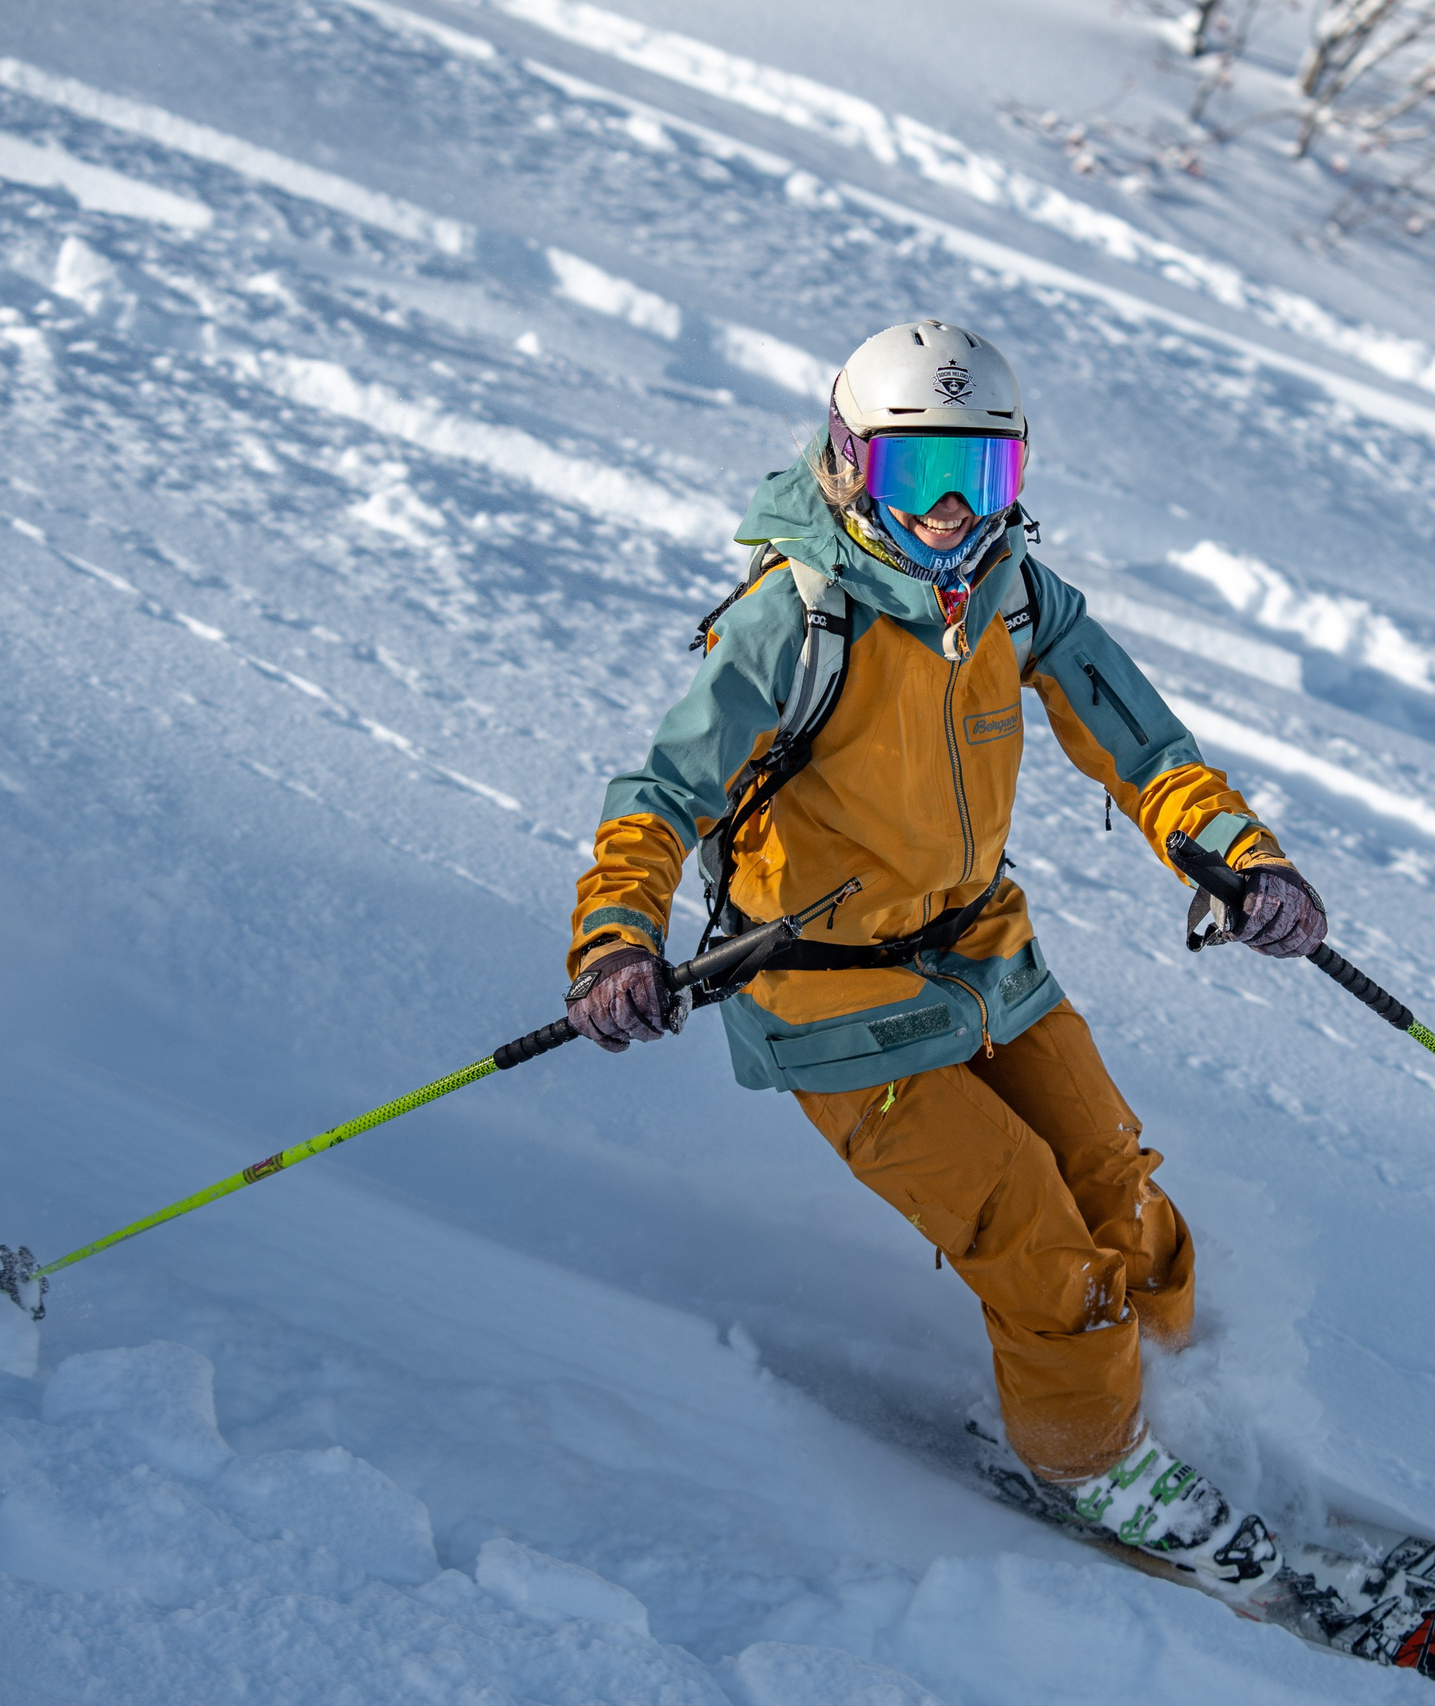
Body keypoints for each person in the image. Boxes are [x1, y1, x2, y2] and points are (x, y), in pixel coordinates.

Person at [562, 320, 1325, 1591]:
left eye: (985, 474)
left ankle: (1162, 1401)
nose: (953, 512)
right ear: (849, 463)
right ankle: (1091, 1461)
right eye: (919, 475)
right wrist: (616, 936)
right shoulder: (794, 620)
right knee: (1039, 1237)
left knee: (1122, 1196)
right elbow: (660, 793)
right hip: (829, 998)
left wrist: (1244, 858)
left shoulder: (1015, 595)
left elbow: (1146, 749)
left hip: (983, 956)